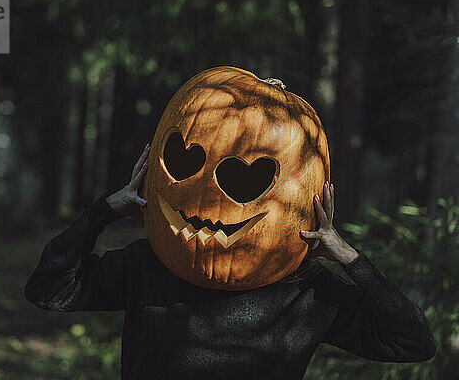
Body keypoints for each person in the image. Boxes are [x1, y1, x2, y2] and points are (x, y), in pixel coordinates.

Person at [24, 144, 436, 380]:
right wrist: (105, 211)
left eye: (249, 183)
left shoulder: (309, 295)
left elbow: (413, 341)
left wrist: (348, 257)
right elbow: (49, 289)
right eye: (193, 166)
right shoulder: (152, 266)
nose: (214, 197)